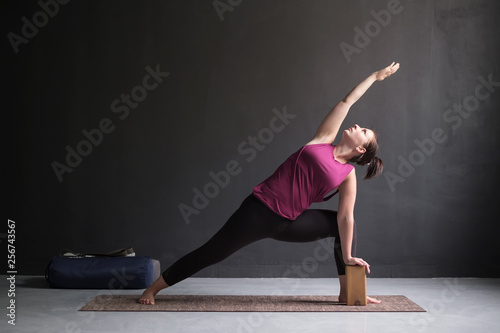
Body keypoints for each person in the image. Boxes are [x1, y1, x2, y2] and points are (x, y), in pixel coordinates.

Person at [138, 62, 400, 305]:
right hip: (258, 211)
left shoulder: (347, 175)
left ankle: (348, 293)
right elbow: (347, 101)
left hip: (289, 223)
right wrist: (375, 77)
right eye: (362, 126)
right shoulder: (323, 138)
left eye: (363, 131)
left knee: (339, 227)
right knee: (212, 253)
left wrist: (347, 258)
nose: (357, 125)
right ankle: (153, 289)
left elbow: (346, 218)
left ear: (361, 151)